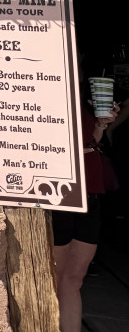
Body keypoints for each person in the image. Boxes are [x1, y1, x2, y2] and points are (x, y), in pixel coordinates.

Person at [53, 97, 124, 332]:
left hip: (89, 194)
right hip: (60, 196)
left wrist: (101, 125)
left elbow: (92, 141)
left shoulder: (83, 100)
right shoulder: (44, 94)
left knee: (74, 280)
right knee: (53, 279)